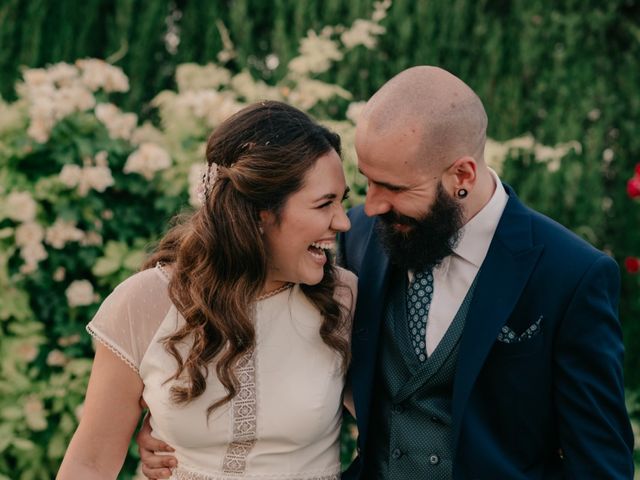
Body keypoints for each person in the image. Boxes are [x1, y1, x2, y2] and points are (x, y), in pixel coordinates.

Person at [138, 67, 634, 479]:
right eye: (367, 182)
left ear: (460, 176)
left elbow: (601, 463)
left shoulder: (572, 275)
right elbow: (262, 328)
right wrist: (167, 421)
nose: (371, 207)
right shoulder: (353, 237)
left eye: (393, 187)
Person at [57, 100, 357, 480]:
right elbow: (90, 464)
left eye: (341, 201)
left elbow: (398, 432)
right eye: (324, 203)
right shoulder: (145, 302)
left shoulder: (344, 298)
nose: (343, 222)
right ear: (259, 212)